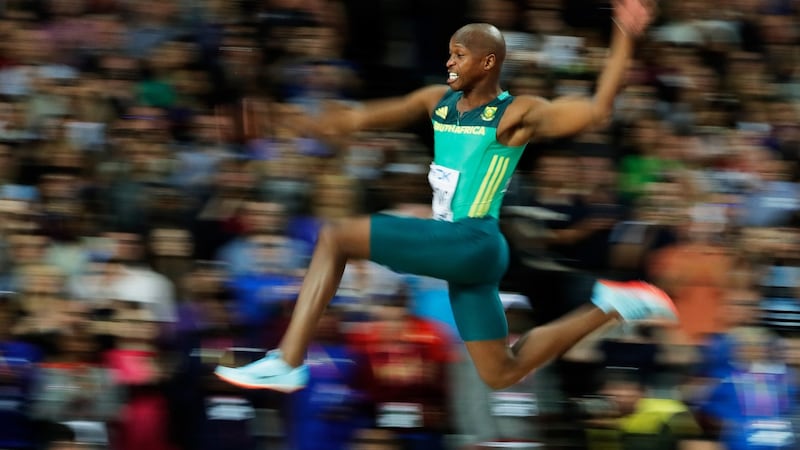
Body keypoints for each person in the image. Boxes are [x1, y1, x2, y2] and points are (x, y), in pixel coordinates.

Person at [215, 0, 677, 393]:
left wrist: (625, 33)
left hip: (474, 239)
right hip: (463, 252)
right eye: (448, 54)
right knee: (502, 372)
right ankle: (612, 307)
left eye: (459, 55)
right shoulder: (437, 101)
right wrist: (306, 122)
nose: (450, 63)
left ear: (488, 61)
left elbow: (597, 111)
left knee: (335, 237)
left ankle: (288, 360)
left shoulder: (515, 113)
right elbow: (357, 119)